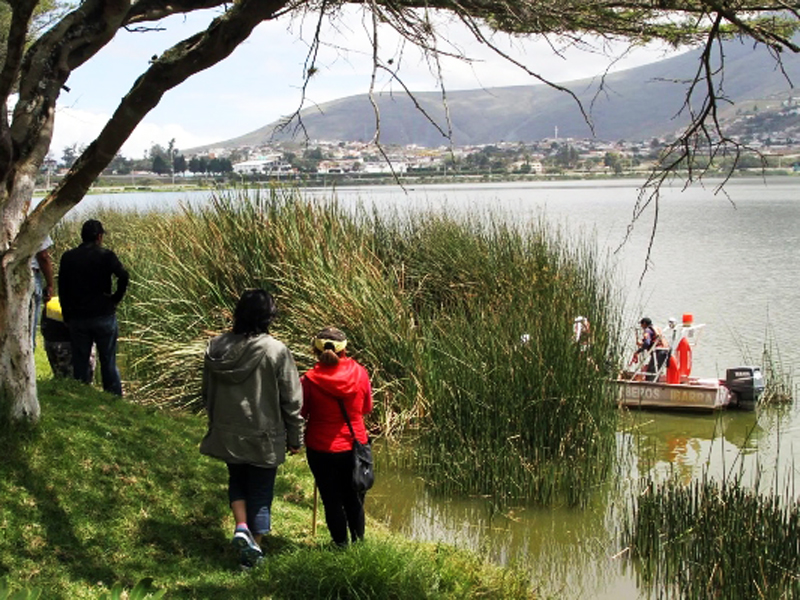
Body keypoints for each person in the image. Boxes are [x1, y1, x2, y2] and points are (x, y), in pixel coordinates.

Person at [199, 289, 303, 570]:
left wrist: (216, 420)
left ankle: (241, 526)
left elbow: (206, 392)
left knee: (237, 479)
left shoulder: (217, 346)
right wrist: (295, 438)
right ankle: (252, 551)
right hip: (263, 435)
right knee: (261, 491)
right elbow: (292, 399)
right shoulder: (276, 350)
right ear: (268, 317)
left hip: (227, 431)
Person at [301, 327, 373, 547]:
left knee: (331, 498)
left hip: (320, 447)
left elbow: (301, 412)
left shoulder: (308, 380)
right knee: (354, 498)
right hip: (354, 444)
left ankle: (340, 544)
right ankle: (359, 543)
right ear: (345, 348)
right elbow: (366, 408)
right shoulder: (361, 373)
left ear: (315, 349)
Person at [58, 219, 129, 395]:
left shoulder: (68, 257)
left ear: (82, 237)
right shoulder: (106, 256)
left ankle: (83, 396)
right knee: (108, 361)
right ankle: (113, 397)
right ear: (99, 237)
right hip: (103, 314)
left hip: (78, 317)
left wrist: (66, 315)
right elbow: (124, 276)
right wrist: (115, 298)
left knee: (80, 361)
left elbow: (62, 289)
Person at [41, 296, 96, 380]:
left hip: (51, 339)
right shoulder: (84, 304)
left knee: (61, 375)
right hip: (67, 343)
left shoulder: (52, 303)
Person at [30, 235, 54, 348]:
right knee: (29, 330)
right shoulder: (33, 221)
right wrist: (50, 284)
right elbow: (43, 256)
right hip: (29, 274)